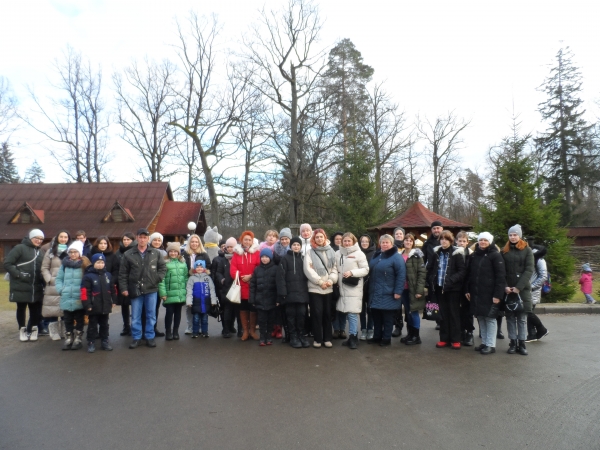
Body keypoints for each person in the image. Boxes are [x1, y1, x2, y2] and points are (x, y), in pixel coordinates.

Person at [118, 228, 167, 349]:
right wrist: (124, 288)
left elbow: (163, 268)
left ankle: (150, 336)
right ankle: (137, 337)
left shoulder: (156, 253)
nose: (143, 239)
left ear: (148, 239)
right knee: (135, 315)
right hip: (135, 289)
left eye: (145, 237)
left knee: (151, 315)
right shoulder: (128, 254)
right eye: (140, 237)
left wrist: (157, 279)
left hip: (151, 288)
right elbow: (123, 273)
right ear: (137, 238)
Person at [465, 232, 506, 355]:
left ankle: (491, 344)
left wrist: (498, 295)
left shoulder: (496, 256)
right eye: (481, 240)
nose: (483, 242)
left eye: (485, 240)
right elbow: (470, 274)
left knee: (490, 318)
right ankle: (484, 342)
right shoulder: (475, 256)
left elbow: (501, 277)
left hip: (490, 293)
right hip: (477, 292)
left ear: (490, 241)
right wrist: (467, 289)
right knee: (481, 317)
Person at [4, 229, 46, 342]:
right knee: (21, 308)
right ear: (30, 237)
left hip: (35, 286)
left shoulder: (40, 252)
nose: (39, 241)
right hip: (20, 285)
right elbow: (8, 263)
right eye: (36, 238)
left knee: (35, 310)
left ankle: (32, 329)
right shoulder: (19, 248)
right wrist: (19, 275)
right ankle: (22, 330)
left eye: (41, 239)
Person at [428, 230, 467, 349]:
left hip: (453, 289)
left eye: (446, 239)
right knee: (442, 314)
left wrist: (451, 280)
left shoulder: (457, 253)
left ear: (450, 240)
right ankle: (444, 338)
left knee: (454, 314)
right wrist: (431, 280)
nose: (443, 241)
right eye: (442, 239)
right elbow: (430, 268)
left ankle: (455, 339)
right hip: (439, 288)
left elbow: (462, 271)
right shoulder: (436, 253)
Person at [502, 224, 535, 356]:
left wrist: (518, 287)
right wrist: (505, 286)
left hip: (522, 290)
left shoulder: (527, 250)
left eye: (515, 235)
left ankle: (522, 343)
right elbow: (501, 271)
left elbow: (529, 270)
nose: (513, 237)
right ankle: (512, 342)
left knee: (521, 318)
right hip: (508, 290)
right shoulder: (504, 251)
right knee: (510, 318)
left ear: (519, 236)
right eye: (510, 235)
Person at [368, 234, 406, 346]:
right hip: (375, 292)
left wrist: (398, 291)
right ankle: (377, 336)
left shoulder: (396, 257)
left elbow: (401, 275)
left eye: (387, 242)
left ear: (392, 243)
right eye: (382, 242)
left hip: (389, 293)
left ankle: (386, 338)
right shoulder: (378, 254)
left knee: (387, 318)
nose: (384, 244)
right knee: (377, 317)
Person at [304, 229, 339, 348]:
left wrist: (330, 280)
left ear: (325, 237)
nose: (319, 239)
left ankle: (327, 338)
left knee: (327, 314)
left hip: (328, 288)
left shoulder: (331, 251)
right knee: (316, 314)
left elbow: (335, 268)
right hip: (315, 288)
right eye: (317, 237)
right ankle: (318, 339)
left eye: (321, 237)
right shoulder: (309, 252)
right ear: (314, 239)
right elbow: (308, 269)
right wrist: (320, 282)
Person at [336, 233, 369, 349]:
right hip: (341, 288)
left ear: (354, 241)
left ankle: (353, 337)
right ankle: (350, 336)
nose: (346, 243)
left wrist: (352, 272)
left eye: (349, 241)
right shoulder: (337, 253)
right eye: (345, 241)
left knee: (352, 314)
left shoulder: (359, 254)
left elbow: (365, 270)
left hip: (353, 288)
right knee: (344, 312)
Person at [277, 237, 310, 348]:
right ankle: (293, 336)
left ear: (301, 246)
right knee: (291, 316)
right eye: (294, 244)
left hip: (302, 293)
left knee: (301, 314)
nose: (296, 246)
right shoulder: (285, 259)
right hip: (289, 294)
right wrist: (283, 293)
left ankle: (301, 334)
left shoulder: (304, 258)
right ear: (290, 246)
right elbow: (280, 277)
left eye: (298, 245)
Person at [55, 240, 88, 350]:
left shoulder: (84, 265)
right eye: (71, 252)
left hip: (79, 296)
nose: (73, 254)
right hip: (66, 296)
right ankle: (69, 338)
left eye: (75, 252)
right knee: (67, 319)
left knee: (79, 318)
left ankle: (78, 339)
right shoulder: (64, 266)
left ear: (79, 253)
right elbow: (59, 279)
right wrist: (61, 290)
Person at [81, 254, 115, 353]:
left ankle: (105, 341)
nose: (100, 264)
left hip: (105, 305)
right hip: (93, 305)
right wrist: (87, 305)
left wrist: (114, 300)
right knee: (92, 325)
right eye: (98, 262)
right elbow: (84, 292)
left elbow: (113, 289)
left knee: (104, 324)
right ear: (93, 263)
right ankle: (91, 342)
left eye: (102, 262)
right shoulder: (88, 276)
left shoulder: (108, 275)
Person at [41, 230, 71, 340]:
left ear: (68, 239)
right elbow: (44, 268)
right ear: (57, 238)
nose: (63, 239)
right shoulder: (50, 251)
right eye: (61, 237)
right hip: (53, 284)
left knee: (65, 308)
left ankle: (64, 330)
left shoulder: (71, 251)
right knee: (52, 309)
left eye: (65, 237)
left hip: (66, 284)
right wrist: (49, 279)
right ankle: (53, 331)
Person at [230, 230, 261, 341]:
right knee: (243, 309)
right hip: (241, 286)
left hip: (253, 286)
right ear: (241, 241)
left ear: (252, 241)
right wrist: (242, 277)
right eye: (245, 239)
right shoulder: (236, 254)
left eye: (249, 240)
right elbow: (233, 269)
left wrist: (251, 276)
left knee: (253, 309)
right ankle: (245, 331)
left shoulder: (257, 253)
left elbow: (259, 267)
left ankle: (252, 331)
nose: (247, 241)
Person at [399, 233, 426, 345]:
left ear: (413, 243)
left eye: (410, 240)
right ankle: (410, 334)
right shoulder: (400, 255)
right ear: (403, 242)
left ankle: (416, 336)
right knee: (408, 312)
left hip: (414, 289)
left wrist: (419, 290)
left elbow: (422, 273)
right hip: (403, 289)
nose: (408, 242)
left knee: (414, 311)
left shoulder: (417, 256)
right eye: (406, 240)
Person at [158, 242, 189, 341]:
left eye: (175, 251)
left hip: (180, 293)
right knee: (169, 313)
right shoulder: (164, 263)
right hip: (169, 293)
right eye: (171, 251)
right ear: (168, 252)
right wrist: (163, 293)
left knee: (178, 313)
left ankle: (176, 331)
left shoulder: (182, 263)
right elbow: (161, 279)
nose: (173, 253)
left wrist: (186, 291)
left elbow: (185, 278)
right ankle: (168, 332)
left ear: (178, 253)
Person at [249, 248, 279, 346]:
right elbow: (253, 285)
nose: (264, 259)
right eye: (262, 257)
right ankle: (262, 337)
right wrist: (252, 299)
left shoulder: (275, 269)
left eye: (266, 257)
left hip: (272, 299)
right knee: (262, 320)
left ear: (270, 257)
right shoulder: (257, 269)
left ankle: (269, 336)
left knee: (271, 320)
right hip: (260, 299)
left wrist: (278, 299)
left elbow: (279, 285)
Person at [183, 234, 212, 335]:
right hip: (187, 281)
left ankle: (200, 326)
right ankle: (190, 326)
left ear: (199, 243)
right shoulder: (184, 254)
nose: (194, 244)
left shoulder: (204, 254)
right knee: (189, 305)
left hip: (200, 283)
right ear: (189, 243)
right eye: (192, 242)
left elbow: (209, 267)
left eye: (196, 242)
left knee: (200, 304)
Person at [214, 237, 239, 338]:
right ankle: (226, 329)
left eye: (231, 247)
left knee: (236, 310)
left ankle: (235, 327)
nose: (229, 249)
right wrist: (222, 279)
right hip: (226, 288)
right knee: (227, 309)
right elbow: (218, 272)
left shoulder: (239, 257)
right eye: (228, 247)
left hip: (237, 287)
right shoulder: (223, 260)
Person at [186, 260, 218, 338]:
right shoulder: (191, 278)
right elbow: (189, 290)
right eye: (197, 267)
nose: (199, 268)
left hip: (206, 302)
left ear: (204, 268)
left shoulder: (208, 278)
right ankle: (195, 332)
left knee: (204, 319)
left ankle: (205, 332)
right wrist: (189, 301)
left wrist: (213, 300)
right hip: (196, 302)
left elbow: (212, 290)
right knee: (196, 318)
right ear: (194, 268)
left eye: (201, 267)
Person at [526, 245, 549, 342]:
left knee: (528, 312)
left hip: (532, 290)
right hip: (528, 289)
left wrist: (531, 287)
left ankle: (542, 329)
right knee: (528, 313)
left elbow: (543, 276)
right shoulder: (529, 259)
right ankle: (532, 334)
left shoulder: (539, 260)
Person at [423, 221, 443, 331]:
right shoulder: (427, 244)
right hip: (432, 276)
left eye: (438, 228)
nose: (436, 230)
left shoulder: (447, 241)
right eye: (434, 228)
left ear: (442, 229)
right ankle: (438, 320)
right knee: (434, 300)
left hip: (444, 276)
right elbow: (423, 260)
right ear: (431, 230)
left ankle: (445, 319)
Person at [456, 231, 475, 346]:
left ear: (467, 242)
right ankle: (460, 331)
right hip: (455, 286)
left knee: (467, 312)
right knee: (457, 312)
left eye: (464, 241)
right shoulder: (453, 253)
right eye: (460, 241)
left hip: (467, 287)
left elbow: (471, 273)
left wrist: (468, 289)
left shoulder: (471, 255)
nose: (462, 243)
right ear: (456, 241)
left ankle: (469, 333)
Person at [115, 232, 136, 336]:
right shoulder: (118, 253)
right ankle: (126, 326)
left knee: (135, 305)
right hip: (122, 282)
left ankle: (134, 326)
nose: (126, 241)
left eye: (128, 239)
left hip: (133, 282)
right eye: (124, 240)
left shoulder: (136, 251)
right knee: (124, 306)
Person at [148, 232, 167, 337]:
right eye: (155, 240)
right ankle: (146, 329)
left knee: (155, 308)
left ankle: (153, 328)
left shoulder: (164, 253)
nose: (157, 242)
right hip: (148, 284)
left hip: (159, 283)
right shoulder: (147, 251)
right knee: (147, 308)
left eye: (159, 240)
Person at [358, 234, 376, 340]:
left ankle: (370, 329)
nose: (364, 243)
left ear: (370, 242)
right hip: (359, 285)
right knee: (361, 309)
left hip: (371, 285)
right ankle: (363, 329)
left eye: (366, 241)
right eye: (362, 241)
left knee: (370, 309)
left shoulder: (375, 254)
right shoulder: (357, 253)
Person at [330, 231, 347, 340]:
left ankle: (342, 329)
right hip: (333, 283)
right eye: (337, 239)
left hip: (345, 283)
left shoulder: (347, 252)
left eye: (341, 239)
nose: (339, 241)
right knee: (334, 307)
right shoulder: (330, 251)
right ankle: (336, 329)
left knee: (343, 308)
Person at [391, 226, 405, 338]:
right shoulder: (392, 248)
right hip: (395, 280)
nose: (399, 236)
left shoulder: (408, 247)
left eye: (401, 234)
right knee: (397, 307)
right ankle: (398, 326)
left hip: (408, 282)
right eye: (397, 234)